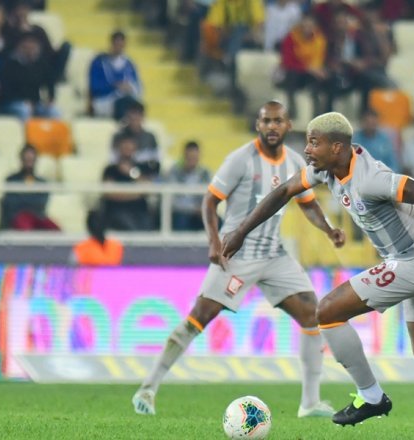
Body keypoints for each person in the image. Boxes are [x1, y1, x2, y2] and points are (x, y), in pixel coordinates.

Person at [220, 112, 414, 437]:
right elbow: (284, 192)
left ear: (336, 147)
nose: (307, 149)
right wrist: (241, 231)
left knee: (327, 312)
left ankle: (371, 397)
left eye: (314, 142)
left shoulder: (371, 179)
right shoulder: (326, 169)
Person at [132, 101, 345, 419]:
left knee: (313, 314)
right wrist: (214, 241)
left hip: (273, 254)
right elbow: (209, 201)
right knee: (200, 316)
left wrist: (329, 229)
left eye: (278, 121)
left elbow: (308, 203)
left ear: (288, 126)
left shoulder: (295, 161)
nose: (272, 126)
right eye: (266, 121)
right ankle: (147, 388)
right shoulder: (240, 159)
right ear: (258, 125)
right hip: (236, 254)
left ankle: (310, 402)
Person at [0, 144, 59, 230]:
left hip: (38, 216)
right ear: (21, 160)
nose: (29, 163)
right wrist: (30, 201)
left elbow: (41, 203)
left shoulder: (42, 182)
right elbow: (12, 203)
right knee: (25, 224)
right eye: (26, 159)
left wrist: (24, 198)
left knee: (54, 229)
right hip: (18, 217)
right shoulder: (11, 180)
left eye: (31, 160)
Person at [101, 135, 153, 231]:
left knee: (148, 227)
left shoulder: (141, 168)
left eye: (130, 148)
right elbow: (110, 193)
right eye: (125, 147)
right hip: (118, 211)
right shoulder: (111, 170)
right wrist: (137, 193)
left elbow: (147, 188)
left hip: (140, 211)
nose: (128, 150)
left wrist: (131, 173)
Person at [89, 31, 142, 119]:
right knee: (123, 105)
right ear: (111, 44)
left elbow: (138, 87)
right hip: (104, 100)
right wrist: (115, 86)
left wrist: (130, 87)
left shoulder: (129, 64)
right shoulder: (99, 63)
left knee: (134, 105)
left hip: (127, 100)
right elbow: (94, 87)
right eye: (116, 44)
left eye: (121, 45)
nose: (119, 48)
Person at [167, 141, 211, 231]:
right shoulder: (174, 172)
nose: (192, 160)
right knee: (181, 220)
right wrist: (193, 209)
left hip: (199, 213)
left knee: (217, 221)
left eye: (194, 157)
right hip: (181, 212)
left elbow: (209, 197)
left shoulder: (205, 173)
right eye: (190, 157)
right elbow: (173, 201)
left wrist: (202, 208)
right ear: (184, 156)